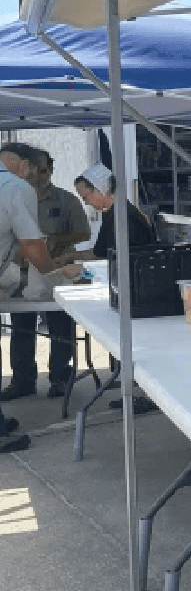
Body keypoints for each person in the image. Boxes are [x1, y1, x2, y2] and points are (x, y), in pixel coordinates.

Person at [2, 149, 91, 401]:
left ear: (51, 170)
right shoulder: (14, 195)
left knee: (60, 326)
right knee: (21, 327)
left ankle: (60, 378)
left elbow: (83, 233)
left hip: (55, 271)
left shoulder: (66, 200)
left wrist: (54, 241)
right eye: (34, 171)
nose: (37, 176)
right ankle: (22, 380)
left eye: (43, 171)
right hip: (21, 274)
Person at [0, 142, 58, 450]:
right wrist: (52, 275)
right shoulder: (14, 187)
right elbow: (32, 245)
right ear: (23, 165)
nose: (34, 178)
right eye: (34, 171)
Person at [62, 164, 156, 261]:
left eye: (85, 197)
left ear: (98, 190)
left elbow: (112, 261)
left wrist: (78, 265)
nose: (86, 203)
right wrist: (70, 256)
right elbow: (99, 252)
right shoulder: (111, 212)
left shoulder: (124, 215)